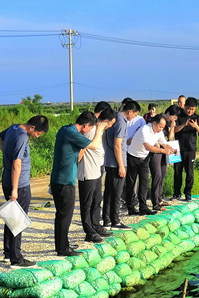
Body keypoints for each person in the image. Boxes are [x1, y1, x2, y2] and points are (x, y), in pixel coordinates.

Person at [51, 112, 108, 256]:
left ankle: (62, 245)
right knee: (65, 215)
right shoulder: (72, 133)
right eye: (90, 128)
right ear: (85, 126)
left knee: (61, 215)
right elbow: (94, 145)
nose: (90, 131)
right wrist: (100, 130)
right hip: (65, 181)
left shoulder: (64, 129)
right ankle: (63, 248)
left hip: (58, 179)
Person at [0, 115, 49, 268]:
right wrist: (15, 189)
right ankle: (17, 259)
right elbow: (17, 164)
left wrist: (6, 155)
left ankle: (8, 253)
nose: (36, 136)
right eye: (38, 134)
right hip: (19, 184)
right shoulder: (22, 136)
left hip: (7, 178)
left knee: (11, 217)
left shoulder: (13, 128)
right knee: (18, 220)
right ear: (32, 128)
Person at [77, 106, 116, 243]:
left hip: (97, 171)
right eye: (110, 124)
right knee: (87, 204)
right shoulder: (91, 131)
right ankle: (89, 232)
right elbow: (81, 149)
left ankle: (95, 225)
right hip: (87, 172)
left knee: (97, 201)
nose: (110, 127)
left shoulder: (99, 131)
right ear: (105, 121)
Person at [126, 114, 178, 215]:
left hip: (144, 159)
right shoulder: (144, 129)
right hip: (133, 157)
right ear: (154, 123)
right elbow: (148, 147)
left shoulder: (159, 132)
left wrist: (173, 149)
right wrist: (163, 151)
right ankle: (131, 208)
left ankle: (143, 207)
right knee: (131, 184)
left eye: (163, 127)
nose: (161, 129)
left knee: (144, 183)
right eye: (160, 127)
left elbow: (165, 144)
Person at [102, 100, 141, 230]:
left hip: (109, 161)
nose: (134, 117)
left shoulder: (113, 117)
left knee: (108, 192)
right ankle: (116, 221)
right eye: (134, 115)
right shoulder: (121, 121)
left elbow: (104, 138)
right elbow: (117, 144)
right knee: (117, 193)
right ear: (130, 112)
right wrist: (121, 165)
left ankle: (107, 220)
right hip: (117, 162)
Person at [172, 97, 199, 202]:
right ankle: (177, 193)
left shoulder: (197, 117)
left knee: (189, 172)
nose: (191, 111)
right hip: (177, 149)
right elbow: (174, 130)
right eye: (189, 109)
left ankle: (188, 193)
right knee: (177, 172)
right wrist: (184, 124)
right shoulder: (179, 115)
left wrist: (196, 126)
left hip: (190, 149)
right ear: (185, 106)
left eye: (193, 109)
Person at [149, 105, 180, 210]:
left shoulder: (167, 124)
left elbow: (170, 138)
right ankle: (155, 202)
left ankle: (159, 199)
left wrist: (172, 127)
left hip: (164, 151)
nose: (173, 119)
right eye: (173, 117)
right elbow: (153, 137)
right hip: (156, 152)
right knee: (157, 176)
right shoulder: (157, 119)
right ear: (168, 113)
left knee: (162, 175)